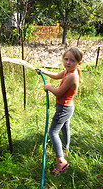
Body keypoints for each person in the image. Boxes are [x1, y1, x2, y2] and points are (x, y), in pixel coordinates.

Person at [36, 47, 83, 176]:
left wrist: (48, 87)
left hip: (63, 108)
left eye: (72, 60)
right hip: (68, 107)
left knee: (53, 132)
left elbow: (58, 92)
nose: (68, 62)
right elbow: (57, 76)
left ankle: (61, 161)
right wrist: (44, 71)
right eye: (66, 59)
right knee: (65, 128)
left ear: (79, 63)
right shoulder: (69, 72)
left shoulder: (71, 76)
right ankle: (65, 150)